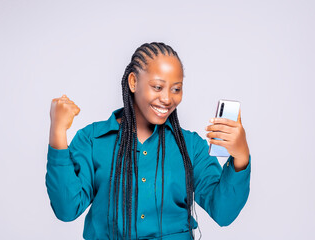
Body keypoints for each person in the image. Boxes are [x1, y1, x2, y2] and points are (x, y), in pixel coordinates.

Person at [45, 42, 251, 240]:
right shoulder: (92, 140)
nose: (168, 99)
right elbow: (66, 209)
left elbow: (223, 213)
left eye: (176, 89)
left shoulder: (191, 146)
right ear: (134, 82)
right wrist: (58, 132)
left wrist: (240, 156)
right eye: (158, 86)